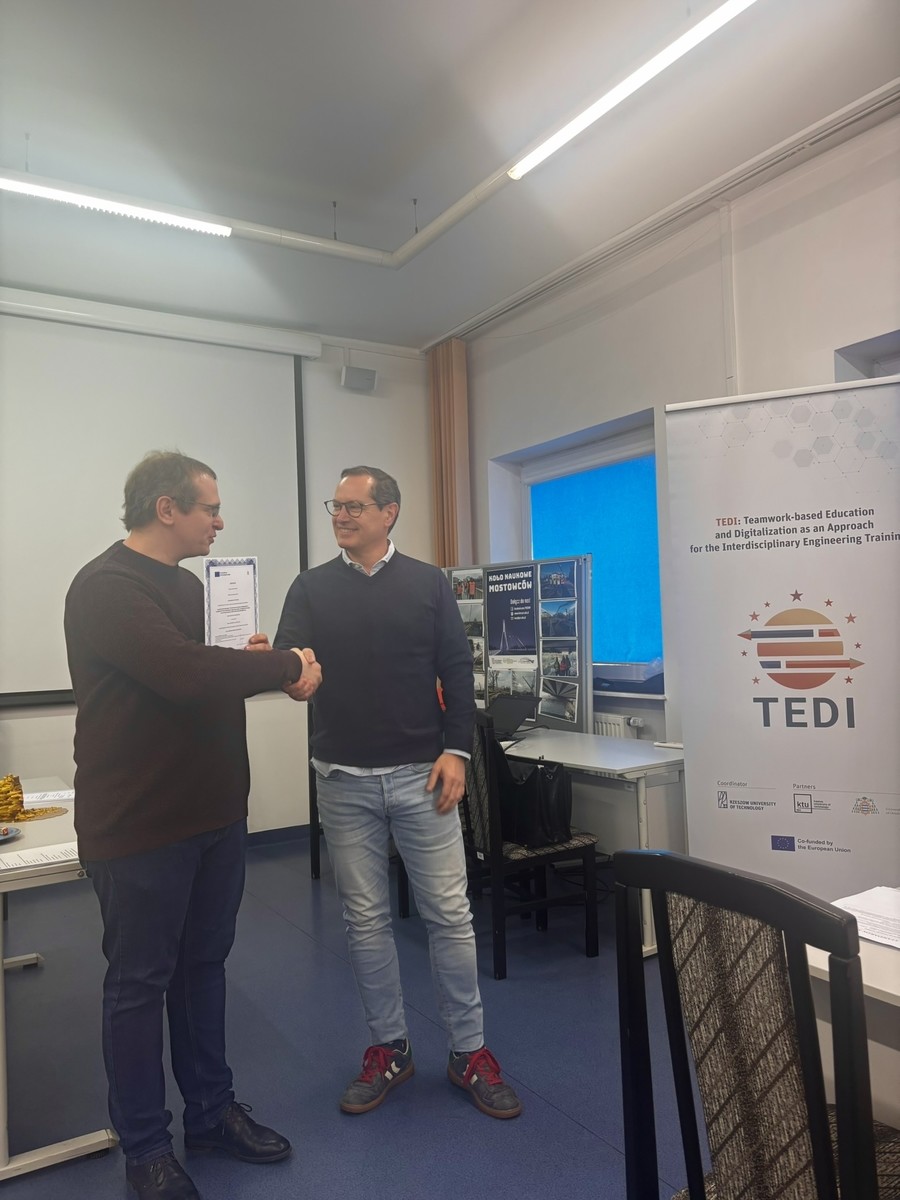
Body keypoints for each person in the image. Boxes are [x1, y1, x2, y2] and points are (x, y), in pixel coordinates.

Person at [64, 451, 322, 1200]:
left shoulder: (191, 587)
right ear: (167, 508)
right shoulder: (106, 587)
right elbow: (182, 674)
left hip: (213, 813)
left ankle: (210, 1114)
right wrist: (284, 665)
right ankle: (146, 1148)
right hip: (140, 825)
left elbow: (205, 671)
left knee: (203, 968)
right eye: (210, 507)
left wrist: (248, 660)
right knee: (139, 985)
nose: (220, 521)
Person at [274, 465, 521, 1120]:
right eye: (335, 505)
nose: (341, 515)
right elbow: (292, 664)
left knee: (450, 916)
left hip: (423, 778)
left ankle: (469, 1052)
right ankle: (390, 1048)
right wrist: (290, 676)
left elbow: (456, 670)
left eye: (354, 506)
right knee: (365, 921)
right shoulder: (310, 587)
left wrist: (457, 751)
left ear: (389, 513)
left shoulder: (428, 583)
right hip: (342, 780)